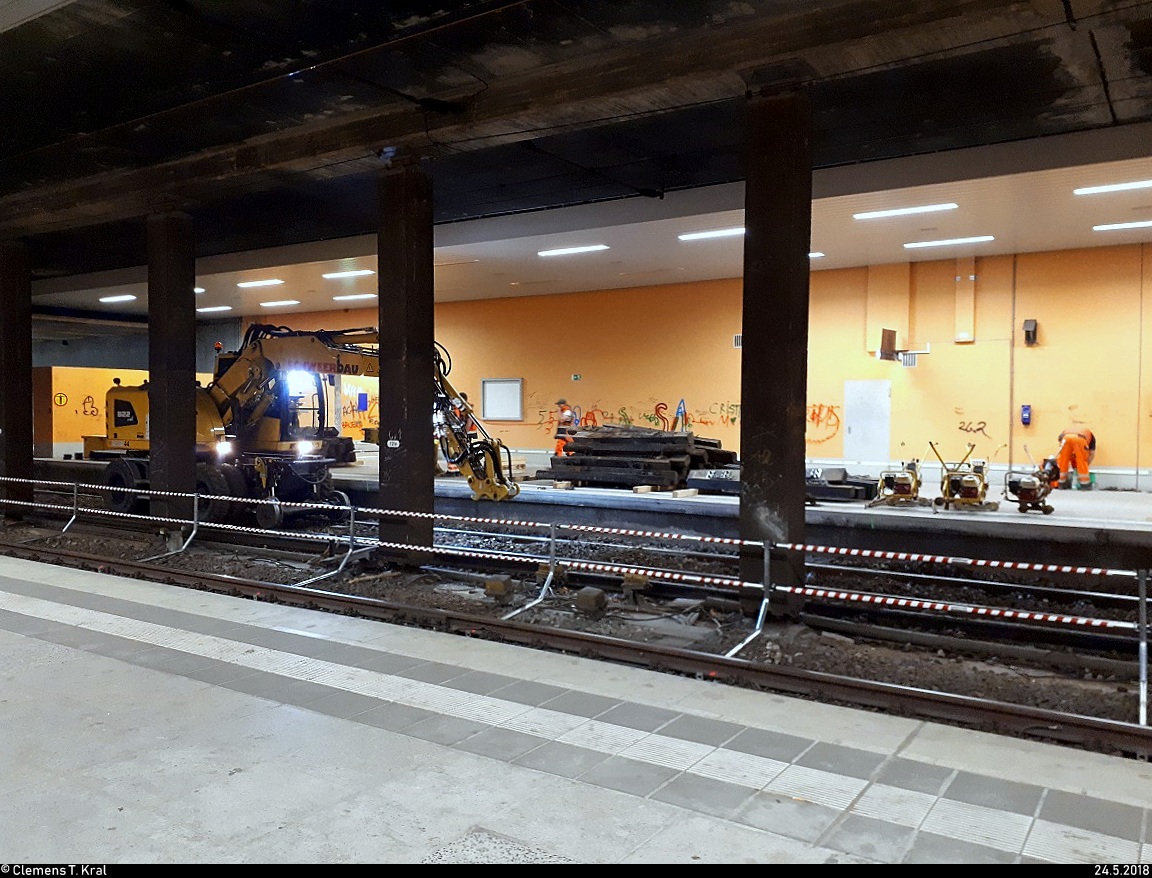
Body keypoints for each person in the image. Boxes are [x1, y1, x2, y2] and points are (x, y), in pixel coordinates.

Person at [1056, 424, 1096, 489]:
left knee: (1063, 460)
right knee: (1082, 460)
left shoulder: (1069, 429)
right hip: (1080, 438)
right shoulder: (1091, 437)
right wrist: (1086, 464)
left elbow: (1063, 449)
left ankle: (1062, 483)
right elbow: (1091, 454)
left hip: (1065, 437)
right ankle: (1085, 484)